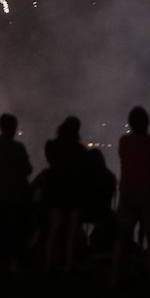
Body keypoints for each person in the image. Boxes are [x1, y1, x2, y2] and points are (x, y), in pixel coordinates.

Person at [112, 106, 150, 282]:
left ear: (130, 123)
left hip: (128, 193)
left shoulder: (124, 141)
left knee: (121, 237)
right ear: (147, 123)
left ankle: (114, 277)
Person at [0, 112, 32, 271]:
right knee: (14, 232)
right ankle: (13, 263)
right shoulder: (18, 148)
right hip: (15, 197)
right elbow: (27, 169)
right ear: (14, 128)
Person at [43, 116, 86, 272]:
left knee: (55, 229)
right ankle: (68, 264)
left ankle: (49, 262)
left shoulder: (51, 146)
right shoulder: (80, 150)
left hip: (55, 191)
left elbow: (52, 164)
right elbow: (82, 170)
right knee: (72, 232)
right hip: (74, 192)